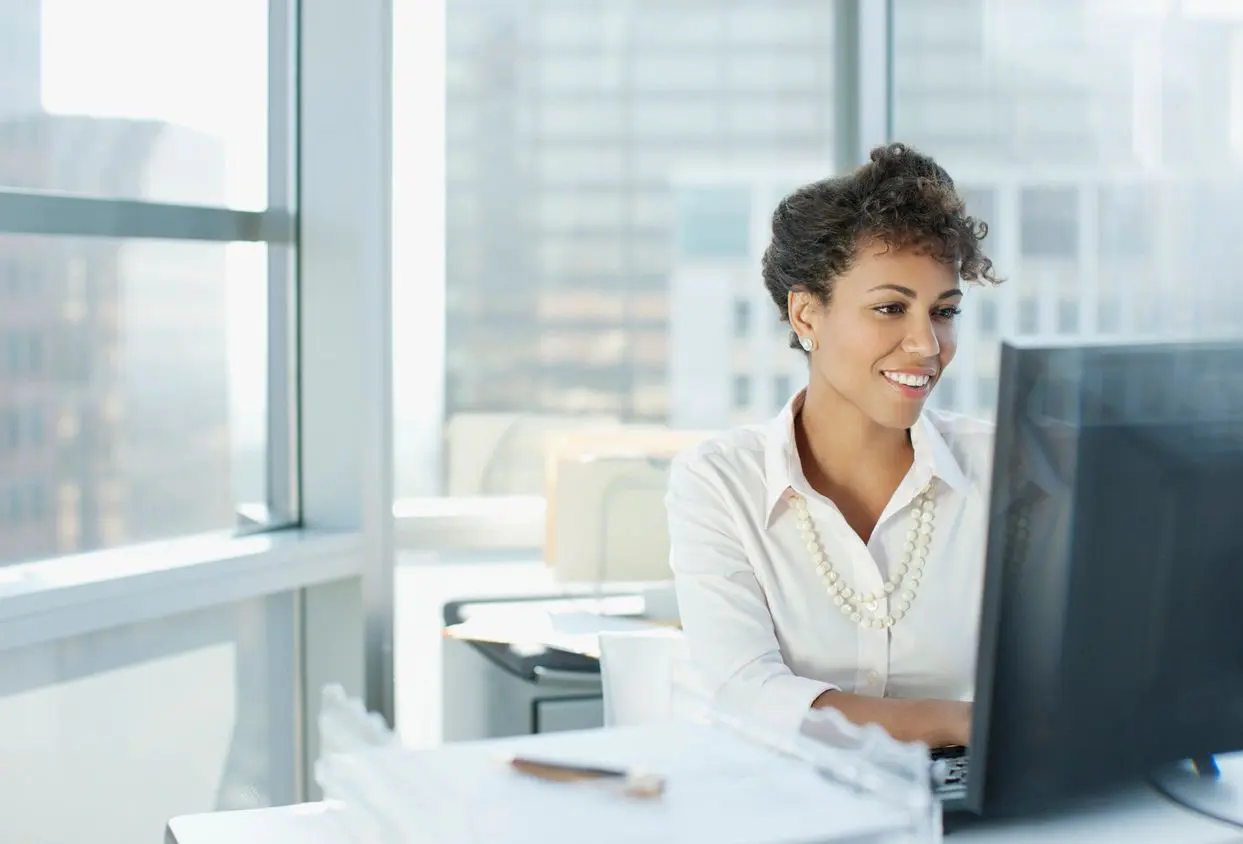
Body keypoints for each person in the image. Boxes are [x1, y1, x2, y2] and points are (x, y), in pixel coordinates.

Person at [666, 143, 1001, 748]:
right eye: (890, 308)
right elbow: (746, 693)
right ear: (806, 315)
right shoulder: (719, 481)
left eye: (944, 311)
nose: (926, 344)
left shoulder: (1005, 469)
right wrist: (968, 723)